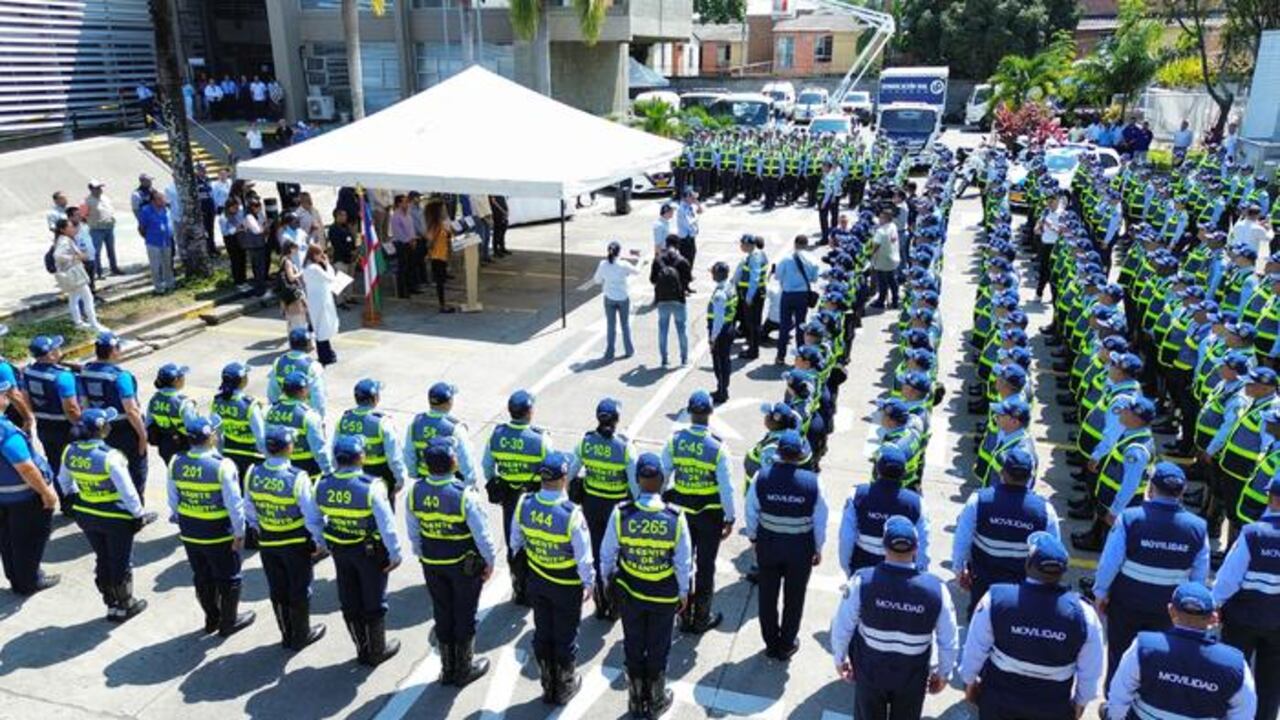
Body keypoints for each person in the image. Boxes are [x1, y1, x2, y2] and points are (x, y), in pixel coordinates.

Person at [959, 532, 1105, 720]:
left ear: (1028, 564)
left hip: (998, 704)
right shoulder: (1084, 614)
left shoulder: (995, 600)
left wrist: (970, 683)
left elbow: (975, 650)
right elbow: (1091, 670)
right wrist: (1080, 703)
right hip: (1053, 708)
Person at [1090, 461, 1210, 686]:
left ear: (1151, 488)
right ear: (1182, 491)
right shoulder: (1198, 528)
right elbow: (1199, 576)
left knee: (1120, 653)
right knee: (1159, 658)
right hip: (1168, 608)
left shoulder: (1129, 518)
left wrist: (1101, 592)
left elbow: (1110, 562)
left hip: (1127, 601)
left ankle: (1114, 704)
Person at [831, 516, 959, 720]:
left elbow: (842, 626)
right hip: (912, 676)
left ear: (884, 546)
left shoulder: (861, 582)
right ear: (916, 549)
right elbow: (949, 640)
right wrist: (943, 674)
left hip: (870, 671)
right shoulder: (937, 589)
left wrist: (840, 658)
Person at [599, 451, 692, 718]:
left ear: (638, 480)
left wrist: (607, 581)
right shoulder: (675, 517)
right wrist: (684, 592)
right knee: (659, 645)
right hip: (663, 595)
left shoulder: (621, 513)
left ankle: (635, 699)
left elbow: (607, 554)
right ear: (662, 479)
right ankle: (656, 699)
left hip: (630, 593)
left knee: (633, 642)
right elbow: (683, 562)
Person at [405, 439, 497, 687]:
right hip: (462, 566)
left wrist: (422, 553)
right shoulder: (463, 495)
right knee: (465, 613)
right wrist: (489, 562)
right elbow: (482, 535)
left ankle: (447, 668)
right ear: (453, 462)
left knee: (442, 611)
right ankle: (463, 669)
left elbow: (413, 531)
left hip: (432, 562)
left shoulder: (415, 491)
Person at [509, 452, 595, 705]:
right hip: (566, 585)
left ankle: (548, 685)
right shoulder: (571, 514)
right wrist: (588, 583)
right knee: (565, 635)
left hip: (538, 579)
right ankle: (564, 686)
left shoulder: (525, 503)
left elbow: (515, 542)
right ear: (564, 478)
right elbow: (583, 556)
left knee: (543, 631)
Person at [1106, 582, 1258, 720]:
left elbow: (1119, 698)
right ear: (1213, 618)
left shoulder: (1143, 646)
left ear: (1171, 611)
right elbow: (1244, 712)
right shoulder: (1235, 664)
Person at [316, 435, 403, 666]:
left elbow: (315, 521)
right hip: (369, 553)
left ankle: (361, 649)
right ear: (361, 456)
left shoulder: (322, 484)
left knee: (349, 597)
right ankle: (377, 650)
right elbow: (387, 525)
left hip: (340, 550)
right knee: (374, 600)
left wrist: (321, 543)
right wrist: (395, 553)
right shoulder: (371, 487)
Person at [167, 414, 256, 637]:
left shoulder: (176, 461)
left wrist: (184, 520)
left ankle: (211, 618)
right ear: (211, 437)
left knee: (202, 576)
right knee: (229, 577)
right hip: (218, 532)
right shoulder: (222, 466)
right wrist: (239, 532)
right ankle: (229, 622)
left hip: (190, 531)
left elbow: (173, 499)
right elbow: (234, 503)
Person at [58, 407, 151, 618]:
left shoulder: (69, 451)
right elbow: (128, 491)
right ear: (101, 429)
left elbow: (64, 482)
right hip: (116, 516)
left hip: (86, 514)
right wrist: (138, 515)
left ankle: (110, 604)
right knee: (121, 561)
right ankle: (125, 605)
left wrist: (75, 498)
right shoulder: (110, 457)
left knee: (102, 557)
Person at [745, 430, 827, 660]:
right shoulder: (813, 483)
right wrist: (818, 548)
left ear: (778, 452)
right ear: (801, 455)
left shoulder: (762, 477)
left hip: (768, 546)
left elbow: (750, 511)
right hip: (800, 549)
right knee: (795, 597)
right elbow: (820, 520)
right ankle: (787, 643)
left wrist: (753, 538)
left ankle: (771, 643)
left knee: (767, 596)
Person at [245, 426, 327, 650]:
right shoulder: (297, 478)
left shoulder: (253, 472)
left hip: (268, 540)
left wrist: (259, 527)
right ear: (289, 447)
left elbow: (249, 508)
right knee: (299, 588)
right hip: (295, 542)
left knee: (278, 589)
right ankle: (301, 635)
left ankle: (286, 633)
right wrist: (320, 541)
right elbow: (311, 516)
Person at [952, 449, 1060, 617]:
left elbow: (962, 540)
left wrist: (959, 571)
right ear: (1031, 477)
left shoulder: (978, 501)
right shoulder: (1045, 510)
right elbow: (1052, 553)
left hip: (983, 585)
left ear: (1002, 472)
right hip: (1022, 593)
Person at [662, 390, 735, 633]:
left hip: (681, 512)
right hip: (710, 515)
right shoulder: (717, 447)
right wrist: (730, 516)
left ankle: (683, 613)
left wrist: (660, 503)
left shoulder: (675, 441)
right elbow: (726, 486)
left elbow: (663, 476)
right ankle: (702, 617)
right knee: (706, 565)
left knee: (682, 562)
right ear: (711, 413)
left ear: (690, 413)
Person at [1213, 473, 1280, 720]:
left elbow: (1229, 578)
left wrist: (1215, 604)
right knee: (1271, 684)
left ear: (1271, 498)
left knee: (1232, 677)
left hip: (1242, 620)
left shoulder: (1253, 534)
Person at [567, 397, 637, 621]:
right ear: (617, 420)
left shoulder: (586, 443)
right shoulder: (625, 447)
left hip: (592, 507)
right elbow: (635, 486)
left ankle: (600, 603)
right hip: (616, 510)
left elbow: (569, 473)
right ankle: (615, 604)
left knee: (596, 554)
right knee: (616, 557)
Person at [482, 389, 551, 605]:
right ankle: (533, 588)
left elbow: (487, 465)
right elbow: (552, 470)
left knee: (514, 542)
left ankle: (518, 586)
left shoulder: (498, 434)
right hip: (533, 498)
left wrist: (497, 483)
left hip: (509, 498)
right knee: (536, 542)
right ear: (529, 411)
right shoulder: (540, 439)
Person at [0, 381, 58, 596]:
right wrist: (46, 492)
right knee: (28, 541)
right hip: (23, 496)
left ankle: (15, 575)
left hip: (3, 496)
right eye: (2, 393)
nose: (6, 396)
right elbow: (25, 467)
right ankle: (28, 581)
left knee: (7, 539)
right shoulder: (5, 431)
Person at [78, 332, 151, 505]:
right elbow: (131, 410)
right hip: (125, 430)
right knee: (135, 470)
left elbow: (84, 403)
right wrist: (142, 436)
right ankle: (136, 512)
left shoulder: (86, 371)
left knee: (109, 469)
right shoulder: (120, 376)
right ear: (113, 351)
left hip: (100, 429)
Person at [838, 445, 929, 577]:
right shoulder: (917, 503)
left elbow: (846, 538)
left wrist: (848, 569)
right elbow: (923, 545)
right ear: (903, 473)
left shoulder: (857, 495)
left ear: (877, 470)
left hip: (862, 565)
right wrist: (919, 574)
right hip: (902, 572)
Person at [337, 379, 408, 505]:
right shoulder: (382, 422)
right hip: (380, 474)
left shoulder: (344, 420)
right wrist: (400, 479)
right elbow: (394, 456)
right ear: (375, 398)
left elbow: (334, 449)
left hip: (351, 473)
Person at [22, 335, 82, 485]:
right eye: (56, 347)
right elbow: (71, 408)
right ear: (50, 354)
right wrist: (82, 427)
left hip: (44, 426)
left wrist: (33, 417)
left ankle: (65, 500)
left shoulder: (28, 372)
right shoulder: (62, 376)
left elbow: (25, 398)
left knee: (56, 465)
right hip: (66, 427)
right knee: (78, 465)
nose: (59, 349)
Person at [405, 381, 479, 488]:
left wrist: (413, 474)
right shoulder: (454, 428)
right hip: (450, 481)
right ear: (448, 403)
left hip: (424, 477)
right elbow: (465, 458)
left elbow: (409, 453)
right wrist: (470, 482)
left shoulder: (414, 424)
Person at [265, 371, 332, 481]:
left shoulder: (269, 412)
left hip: (278, 469)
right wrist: (328, 471)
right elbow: (319, 449)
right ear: (302, 391)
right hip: (308, 470)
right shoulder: (309, 416)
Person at [210, 361, 266, 481]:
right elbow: (260, 436)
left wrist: (219, 455)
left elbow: (216, 434)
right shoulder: (250, 405)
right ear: (242, 381)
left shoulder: (216, 401)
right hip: (252, 455)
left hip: (229, 453)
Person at [774, 234, 819, 365]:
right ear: (806, 244)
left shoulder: (787, 258)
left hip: (788, 295)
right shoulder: (811, 259)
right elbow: (814, 278)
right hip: (802, 295)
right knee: (801, 326)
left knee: (784, 326)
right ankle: (800, 356)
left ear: (795, 244)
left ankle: (780, 356)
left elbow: (777, 275)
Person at [51, 219, 103, 331]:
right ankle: (94, 324)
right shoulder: (64, 241)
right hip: (73, 273)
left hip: (70, 273)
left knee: (73, 298)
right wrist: (75, 257)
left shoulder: (62, 239)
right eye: (69, 227)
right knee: (87, 298)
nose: (72, 229)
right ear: (63, 230)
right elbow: (57, 255)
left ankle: (78, 322)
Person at [592, 241, 639, 360]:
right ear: (619, 252)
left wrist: (606, 279)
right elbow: (637, 272)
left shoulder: (603, 264)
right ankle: (629, 350)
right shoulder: (623, 264)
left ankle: (609, 352)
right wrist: (640, 258)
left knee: (610, 325)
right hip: (623, 298)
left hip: (609, 298)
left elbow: (596, 280)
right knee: (625, 325)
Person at [145, 362, 198, 466]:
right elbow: (194, 429)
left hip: (165, 446)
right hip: (184, 446)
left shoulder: (154, 400)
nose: (184, 378)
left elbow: (148, 424)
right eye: (182, 376)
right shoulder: (183, 403)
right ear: (175, 381)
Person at [267, 327, 328, 418]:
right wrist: (320, 418)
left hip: (283, 414)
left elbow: (272, 393)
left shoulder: (279, 362)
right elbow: (318, 397)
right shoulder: (313, 366)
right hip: (304, 415)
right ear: (307, 344)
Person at [651, 238, 691, 367]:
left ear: (666, 244)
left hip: (662, 300)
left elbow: (652, 280)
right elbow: (688, 280)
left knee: (663, 330)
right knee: (682, 330)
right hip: (679, 299)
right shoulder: (683, 261)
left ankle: (664, 359)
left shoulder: (658, 260)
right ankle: (684, 359)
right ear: (677, 245)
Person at [302, 244, 342, 365]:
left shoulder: (307, 267)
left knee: (320, 328)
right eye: (320, 254)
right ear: (314, 255)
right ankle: (325, 356)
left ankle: (327, 353)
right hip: (321, 301)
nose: (323, 256)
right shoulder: (314, 268)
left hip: (316, 300)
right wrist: (328, 264)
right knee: (322, 329)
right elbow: (331, 278)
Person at [707, 261, 738, 404]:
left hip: (721, 331)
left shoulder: (720, 294)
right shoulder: (730, 286)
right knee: (725, 360)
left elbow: (718, 319)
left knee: (719, 363)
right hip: (729, 327)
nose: (712, 275)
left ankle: (722, 391)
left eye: (713, 272)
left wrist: (713, 338)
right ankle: (722, 388)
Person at [735, 234, 767, 360]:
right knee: (753, 323)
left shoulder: (754, 257)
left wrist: (749, 297)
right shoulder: (758, 254)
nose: (741, 246)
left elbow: (754, 278)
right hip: (756, 293)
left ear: (748, 245)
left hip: (753, 294)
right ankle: (753, 347)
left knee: (753, 323)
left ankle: (753, 350)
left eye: (742, 244)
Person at [138, 190, 176, 295]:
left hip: (166, 241)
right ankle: (159, 288)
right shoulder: (146, 211)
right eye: (161, 199)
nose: (164, 201)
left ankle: (170, 284)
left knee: (167, 264)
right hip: (153, 242)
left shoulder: (166, 210)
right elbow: (141, 228)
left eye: (163, 198)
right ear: (154, 201)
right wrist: (148, 237)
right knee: (155, 266)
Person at [85, 180, 122, 277]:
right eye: (97, 188)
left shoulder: (105, 198)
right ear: (91, 189)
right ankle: (98, 271)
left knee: (111, 250)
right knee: (96, 251)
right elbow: (82, 215)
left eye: (100, 188)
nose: (99, 190)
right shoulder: (87, 201)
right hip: (97, 229)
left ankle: (114, 268)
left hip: (109, 228)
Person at [869, 206, 901, 310]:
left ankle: (881, 301)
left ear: (886, 218)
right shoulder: (893, 226)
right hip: (893, 258)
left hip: (882, 261)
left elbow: (875, 246)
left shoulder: (881, 231)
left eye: (881, 218)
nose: (879, 219)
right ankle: (895, 300)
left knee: (882, 282)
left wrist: (870, 255)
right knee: (892, 281)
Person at [327, 208, 357, 309]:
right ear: (337, 217)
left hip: (350, 258)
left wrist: (354, 250)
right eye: (343, 215)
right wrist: (349, 251)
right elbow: (338, 244)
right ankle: (339, 301)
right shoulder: (333, 229)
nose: (345, 217)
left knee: (349, 279)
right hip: (340, 258)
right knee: (339, 280)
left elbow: (351, 240)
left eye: (345, 215)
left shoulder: (346, 227)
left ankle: (349, 297)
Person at [242, 196, 271, 297]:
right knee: (258, 268)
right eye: (257, 206)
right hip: (254, 245)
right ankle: (260, 291)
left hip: (260, 243)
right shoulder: (249, 217)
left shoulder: (257, 215)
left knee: (261, 267)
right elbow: (257, 230)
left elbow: (263, 222)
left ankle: (261, 288)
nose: (259, 208)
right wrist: (265, 226)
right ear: (252, 207)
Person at [278, 239, 308, 332]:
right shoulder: (288, 262)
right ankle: (297, 332)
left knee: (297, 311)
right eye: (294, 248)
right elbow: (291, 277)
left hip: (291, 289)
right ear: (290, 249)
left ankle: (295, 331)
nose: (296, 250)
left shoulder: (284, 259)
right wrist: (300, 273)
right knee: (302, 308)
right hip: (294, 289)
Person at [220, 199, 247, 286]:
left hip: (240, 237)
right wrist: (236, 230)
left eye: (237, 208)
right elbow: (225, 231)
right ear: (229, 208)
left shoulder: (238, 213)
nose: (236, 210)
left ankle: (243, 278)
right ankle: (238, 280)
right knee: (235, 259)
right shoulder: (223, 218)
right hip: (230, 239)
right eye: (234, 208)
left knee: (242, 257)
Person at [676, 188, 702, 270]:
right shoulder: (682, 209)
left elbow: (700, 211)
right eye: (691, 197)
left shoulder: (690, 206)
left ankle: (688, 272)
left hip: (691, 236)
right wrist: (696, 218)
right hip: (685, 237)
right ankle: (685, 274)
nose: (693, 199)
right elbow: (688, 223)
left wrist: (698, 204)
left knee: (692, 254)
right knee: (686, 257)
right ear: (685, 198)